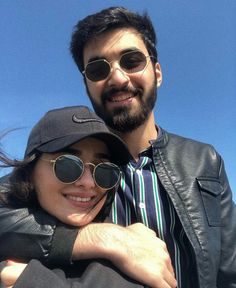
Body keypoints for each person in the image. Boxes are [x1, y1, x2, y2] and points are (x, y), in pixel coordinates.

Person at [0, 6, 235, 288]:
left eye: (132, 61)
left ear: (157, 72)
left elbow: (228, 270)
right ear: (87, 83)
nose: (118, 78)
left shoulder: (205, 159)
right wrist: (105, 238)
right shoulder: (72, 169)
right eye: (98, 69)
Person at [0, 105, 155, 288]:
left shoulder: (133, 258)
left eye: (104, 170)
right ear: (30, 173)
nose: (88, 182)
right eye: (67, 165)